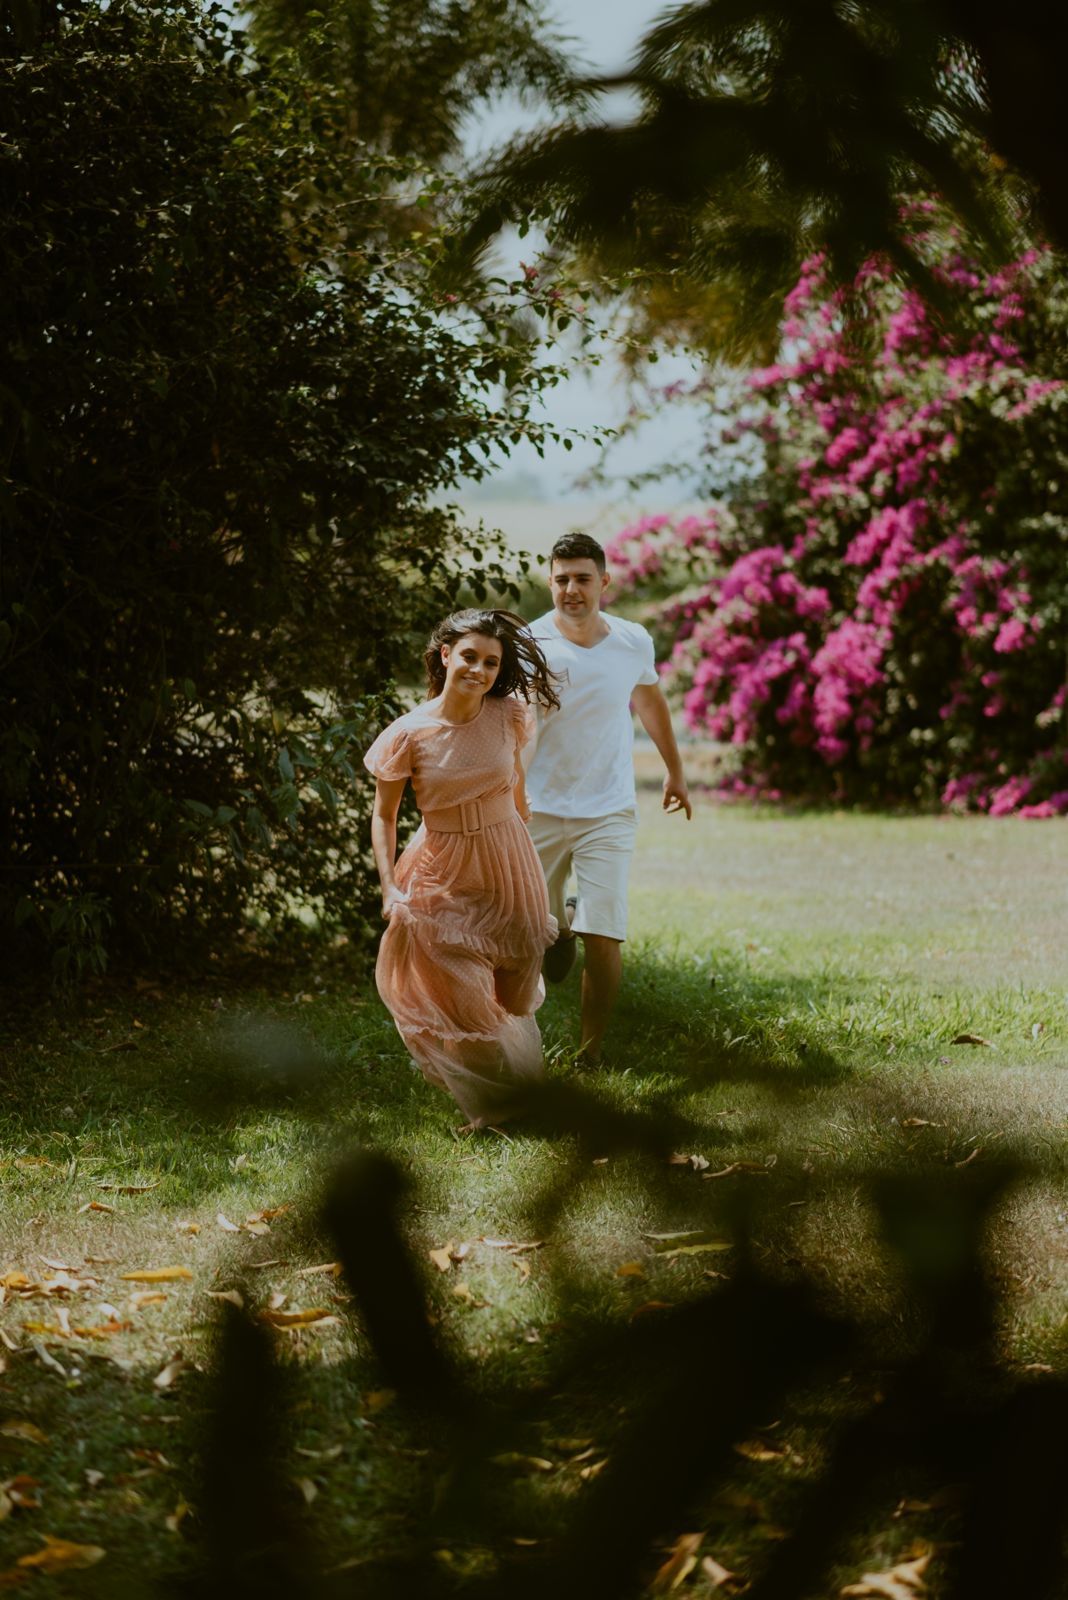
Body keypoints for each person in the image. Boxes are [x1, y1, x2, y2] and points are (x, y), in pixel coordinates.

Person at [364, 609, 561, 1130]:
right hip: (443, 867)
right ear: (446, 654)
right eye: (469, 656)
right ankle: (496, 1110)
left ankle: (522, 1095)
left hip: (508, 858)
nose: (479, 670)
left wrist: (520, 824)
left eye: (491, 662)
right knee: (462, 990)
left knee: (513, 992)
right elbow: (384, 816)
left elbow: (514, 780)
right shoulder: (408, 734)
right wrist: (390, 886)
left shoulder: (508, 714)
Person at [525, 532, 692, 1063]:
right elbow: (511, 727)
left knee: (605, 935)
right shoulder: (528, 645)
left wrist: (675, 772)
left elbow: (650, 702)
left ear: (605, 582)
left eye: (583, 579)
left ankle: (589, 1054)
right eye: (562, 580)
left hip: (609, 809)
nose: (571, 590)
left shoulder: (632, 640)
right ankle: (561, 927)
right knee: (532, 931)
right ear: (550, 583)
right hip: (538, 807)